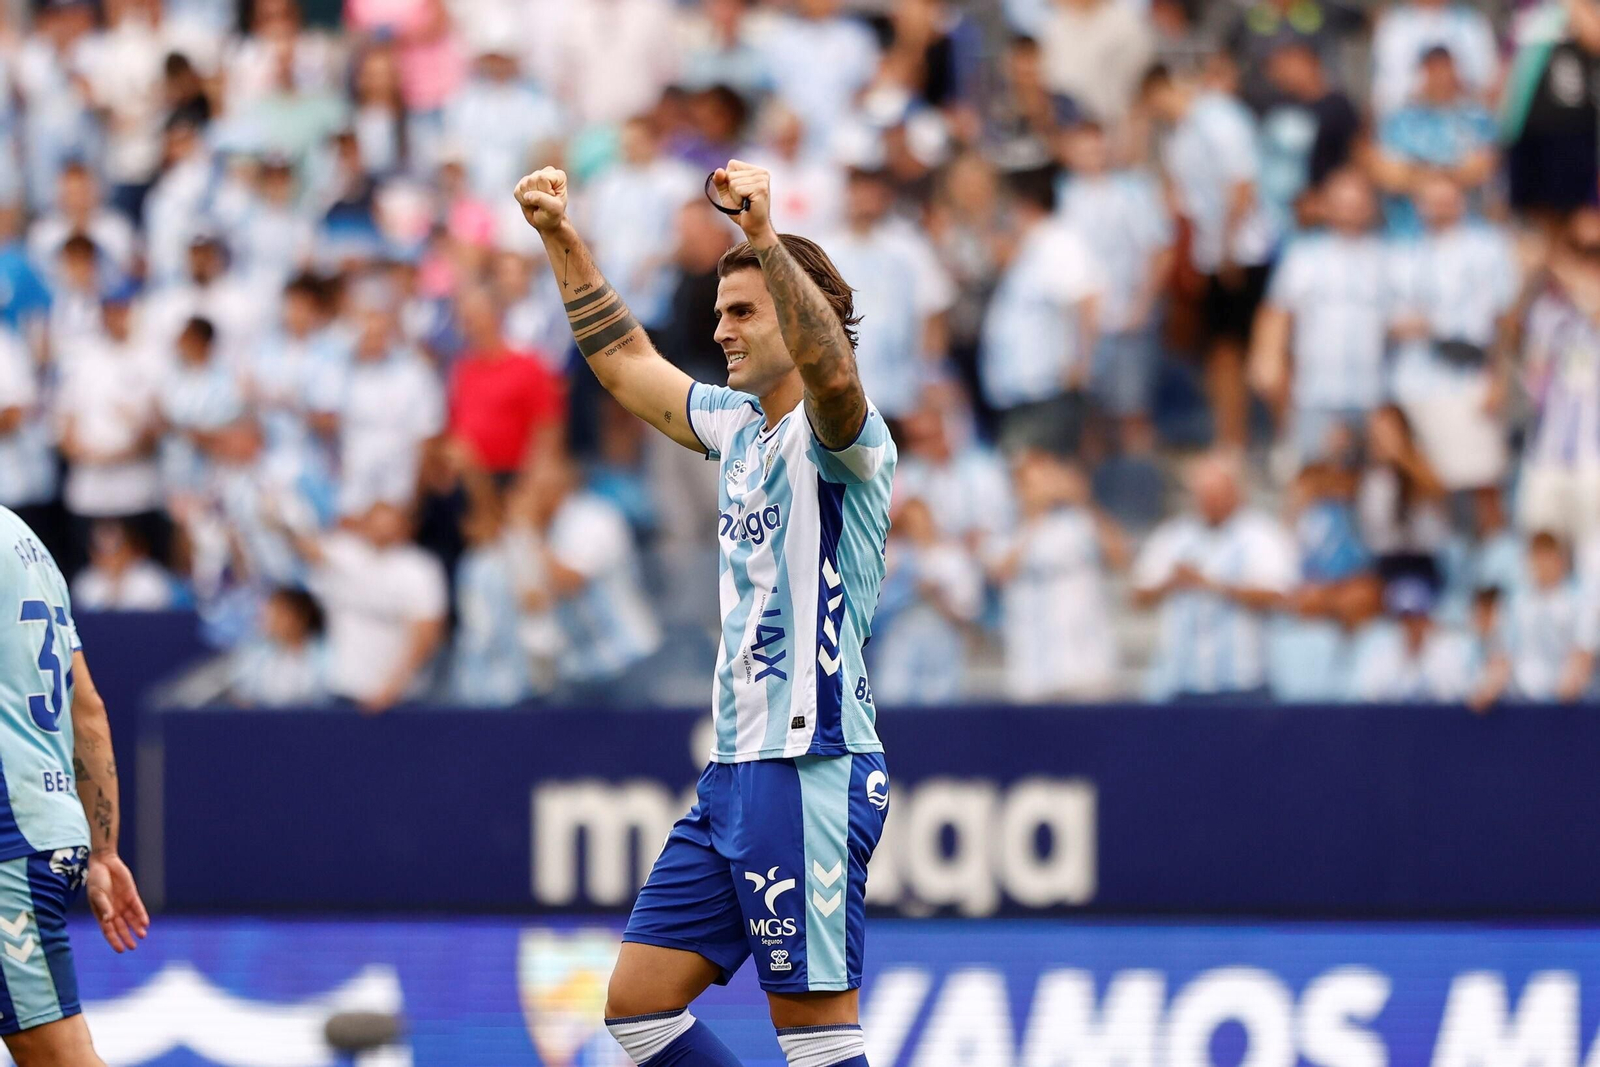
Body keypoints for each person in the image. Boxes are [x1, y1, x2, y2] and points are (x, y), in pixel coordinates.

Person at [515, 157, 891, 1067]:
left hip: (808, 763)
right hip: (733, 770)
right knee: (639, 1008)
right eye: (721, 311)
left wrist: (763, 235)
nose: (720, 329)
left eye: (744, 311)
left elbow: (834, 376)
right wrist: (561, 237)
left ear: (798, 313)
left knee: (818, 1037)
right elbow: (625, 361)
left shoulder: (843, 435)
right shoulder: (736, 425)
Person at [0, 506, 150, 1064]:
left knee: (58, 1057)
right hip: (45, 820)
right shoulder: (27, 543)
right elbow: (87, 707)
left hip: (9, 834)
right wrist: (104, 850)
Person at [1251, 168, 1393, 464]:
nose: (1349, 211)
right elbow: (1277, 314)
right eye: (1342, 203)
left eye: (1356, 203)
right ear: (1325, 206)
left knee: (1373, 482)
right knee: (1314, 475)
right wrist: (1268, 363)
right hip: (1315, 394)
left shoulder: (1388, 258)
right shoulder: (1303, 256)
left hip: (1375, 395)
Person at [1132, 451, 1300, 700]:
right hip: (1183, 682)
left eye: (1215, 493)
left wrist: (1211, 585)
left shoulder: (1260, 535)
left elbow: (1279, 595)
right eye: (1203, 493)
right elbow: (1139, 594)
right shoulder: (1174, 535)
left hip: (1243, 683)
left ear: (1235, 492)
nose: (1208, 501)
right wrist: (1171, 583)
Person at [987, 450, 1125, 701]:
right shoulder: (1005, 530)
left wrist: (1084, 501)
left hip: (1085, 666)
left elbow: (1120, 557)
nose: (1045, 488)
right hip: (1030, 668)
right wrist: (1034, 517)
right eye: (1034, 482)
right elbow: (999, 573)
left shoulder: (1078, 521)